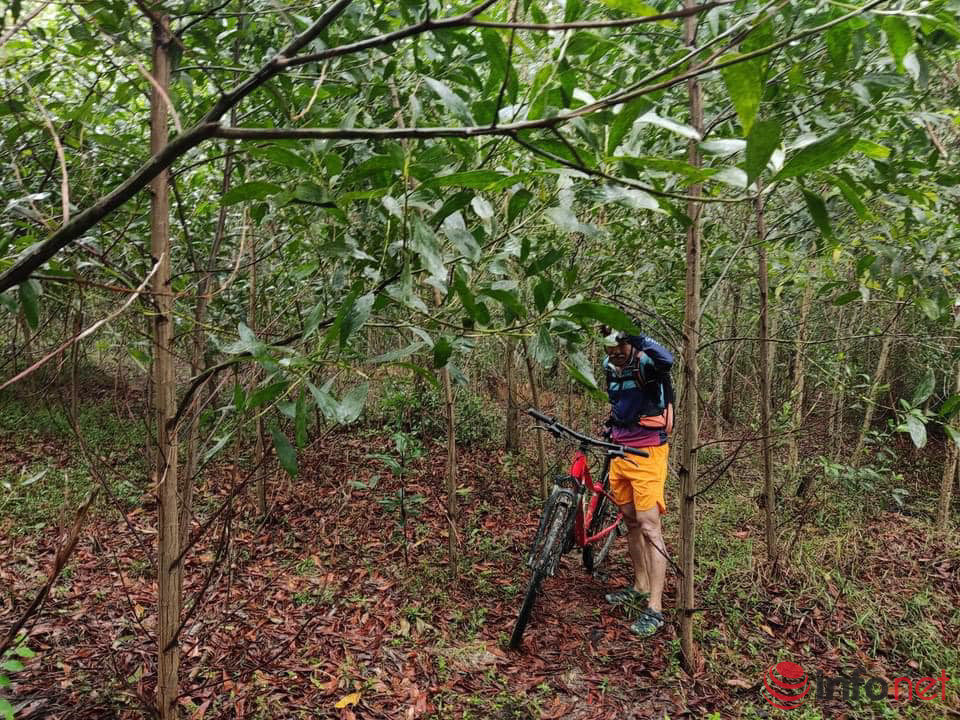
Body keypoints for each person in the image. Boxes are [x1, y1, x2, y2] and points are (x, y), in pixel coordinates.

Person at [600, 326, 674, 638]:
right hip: (620, 448)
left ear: (630, 344)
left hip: (648, 452)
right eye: (609, 348)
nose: (615, 354)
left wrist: (636, 336)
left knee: (649, 525)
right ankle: (640, 585)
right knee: (630, 520)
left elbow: (668, 360)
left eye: (620, 347)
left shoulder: (647, 361)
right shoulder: (608, 366)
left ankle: (655, 608)